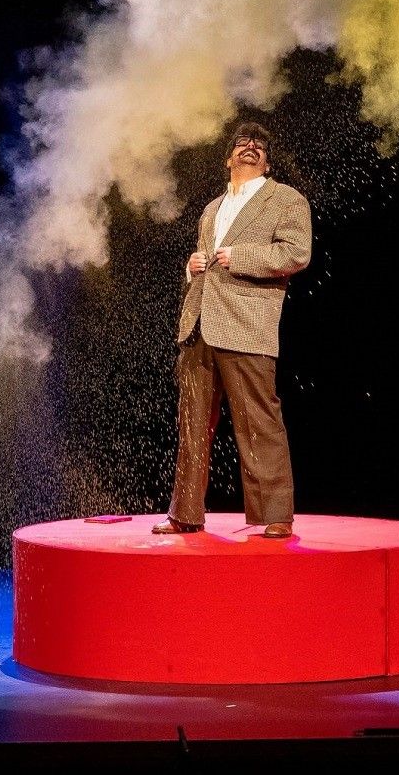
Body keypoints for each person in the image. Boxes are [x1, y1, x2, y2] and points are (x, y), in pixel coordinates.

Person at [152, 121, 312, 539]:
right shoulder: (212, 209)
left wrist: (240, 257)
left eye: (259, 145)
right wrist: (192, 269)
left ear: (267, 162)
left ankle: (276, 514)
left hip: (247, 324)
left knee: (259, 420)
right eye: (243, 142)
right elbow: (207, 262)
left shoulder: (286, 200)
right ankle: (185, 512)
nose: (251, 147)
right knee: (192, 425)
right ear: (229, 158)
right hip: (199, 326)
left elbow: (297, 252)